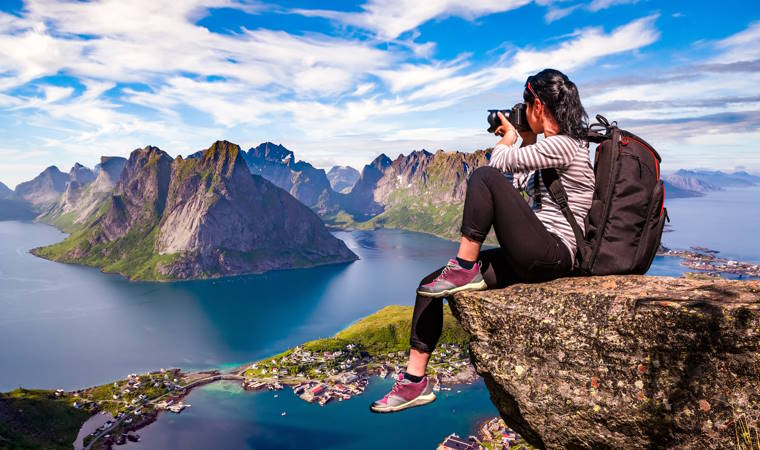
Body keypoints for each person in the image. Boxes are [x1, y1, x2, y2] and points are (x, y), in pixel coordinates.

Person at [369, 68, 595, 413]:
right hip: (538, 251)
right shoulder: (551, 148)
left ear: (537, 104)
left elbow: (498, 167)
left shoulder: (566, 145)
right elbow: (514, 188)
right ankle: (415, 382)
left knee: (483, 175)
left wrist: (508, 139)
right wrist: (527, 139)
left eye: (525, 103)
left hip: (555, 253)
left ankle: (464, 266)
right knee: (430, 284)